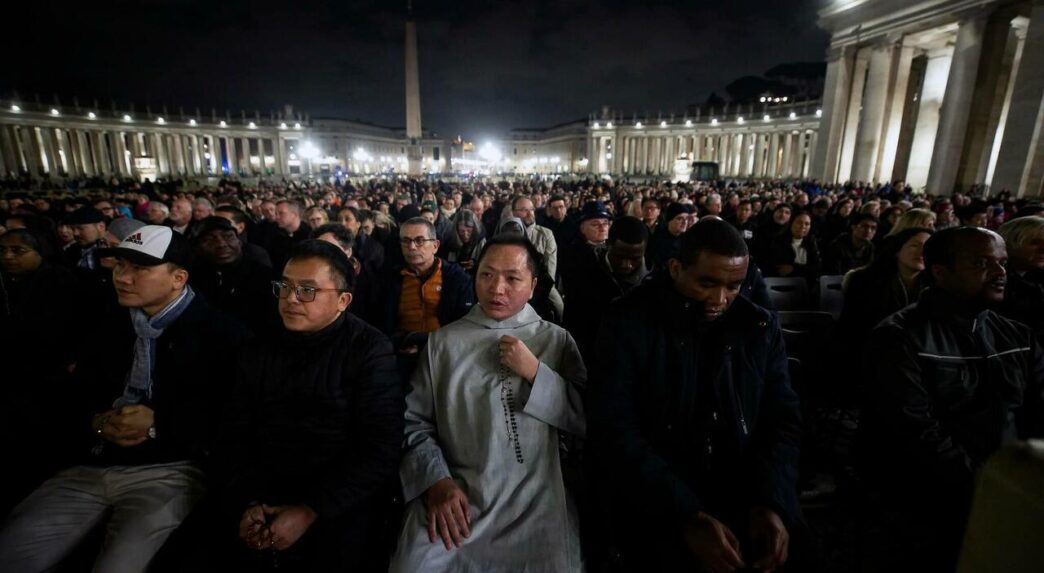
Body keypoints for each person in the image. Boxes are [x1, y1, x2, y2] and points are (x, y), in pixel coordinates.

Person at [0, 225, 247, 572]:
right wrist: (96, 422)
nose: (123, 278)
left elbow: (232, 417)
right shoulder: (106, 323)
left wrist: (159, 426)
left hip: (170, 470)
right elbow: (71, 394)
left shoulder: (223, 335)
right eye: (119, 267)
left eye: (139, 269)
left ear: (178, 278)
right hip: (90, 464)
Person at [169, 240, 403, 572]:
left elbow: (379, 449)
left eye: (308, 290)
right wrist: (247, 503)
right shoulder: (260, 343)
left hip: (336, 499)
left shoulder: (369, 351)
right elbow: (232, 432)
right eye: (285, 286)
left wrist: (309, 509)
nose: (290, 298)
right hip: (259, 489)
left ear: (342, 301)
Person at [588, 219, 806, 572]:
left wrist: (773, 501)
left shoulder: (758, 328)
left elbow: (781, 420)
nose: (720, 299)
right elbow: (615, 429)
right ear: (676, 269)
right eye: (707, 283)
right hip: (656, 499)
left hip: (744, 493)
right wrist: (685, 515)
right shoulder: (629, 321)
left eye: (734, 286)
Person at [390, 236, 586, 572]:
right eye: (486, 275)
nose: (497, 289)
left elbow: (583, 417)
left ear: (533, 284)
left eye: (512, 278)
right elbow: (414, 422)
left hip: (536, 496)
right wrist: (436, 482)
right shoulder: (443, 343)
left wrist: (536, 372)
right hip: (460, 493)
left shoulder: (554, 339)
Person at [858, 226, 1044, 572]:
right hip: (929, 485)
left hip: (1008, 477)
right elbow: (915, 434)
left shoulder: (1018, 336)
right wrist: (992, 487)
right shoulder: (898, 338)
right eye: (982, 263)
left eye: (1002, 263)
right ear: (941, 272)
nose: (1000, 273)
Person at [0, 228, 90, 514]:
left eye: (18, 251)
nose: (8, 256)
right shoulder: (5, 282)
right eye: (3, 250)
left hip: (47, 376)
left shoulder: (60, 282)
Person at [380, 217, 475, 380]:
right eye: (406, 241)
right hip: (401, 355)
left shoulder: (457, 278)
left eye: (419, 241)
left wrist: (428, 345)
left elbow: (465, 324)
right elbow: (381, 324)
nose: (411, 247)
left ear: (435, 246)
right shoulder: (388, 279)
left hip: (446, 356)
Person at [562, 216, 649, 363]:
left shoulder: (651, 286)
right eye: (620, 257)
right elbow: (573, 328)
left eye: (634, 259)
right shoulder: (583, 275)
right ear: (608, 244)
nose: (626, 265)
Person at [190, 216, 279, 335]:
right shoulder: (192, 279)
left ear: (239, 241)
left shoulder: (264, 277)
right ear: (198, 247)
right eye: (209, 239)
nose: (221, 244)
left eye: (228, 236)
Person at [997, 215, 1044, 338]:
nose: (1042, 249)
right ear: (1008, 244)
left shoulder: (1035, 275)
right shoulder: (996, 281)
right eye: (1034, 243)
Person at [766, 211, 821, 285]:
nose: (803, 226)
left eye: (807, 224)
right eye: (799, 222)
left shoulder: (811, 242)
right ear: (791, 223)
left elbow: (817, 268)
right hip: (783, 284)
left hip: (807, 285)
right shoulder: (778, 241)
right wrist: (805, 269)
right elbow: (782, 270)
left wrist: (794, 269)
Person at [646, 203, 694, 271]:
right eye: (679, 218)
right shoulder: (657, 240)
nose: (684, 222)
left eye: (686, 218)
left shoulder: (687, 239)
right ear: (669, 220)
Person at [438, 208, 486, 273]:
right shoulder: (450, 241)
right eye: (462, 231)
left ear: (474, 229)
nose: (465, 234)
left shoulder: (481, 241)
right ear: (456, 230)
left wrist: (476, 265)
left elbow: (486, 264)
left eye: (469, 231)